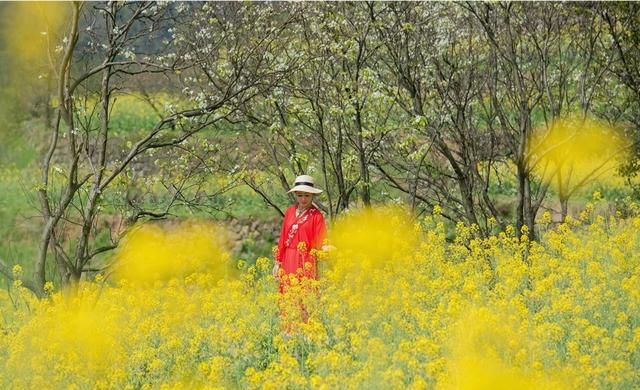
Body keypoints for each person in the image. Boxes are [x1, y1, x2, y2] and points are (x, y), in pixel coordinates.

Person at [272, 174, 326, 293]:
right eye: (300, 195)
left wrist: (326, 248)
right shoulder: (290, 211)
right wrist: (277, 263)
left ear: (312, 195)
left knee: (305, 295)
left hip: (306, 260)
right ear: (296, 195)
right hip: (288, 258)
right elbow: (283, 238)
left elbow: (321, 241)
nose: (303, 199)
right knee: (288, 295)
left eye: (307, 195)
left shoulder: (317, 216)